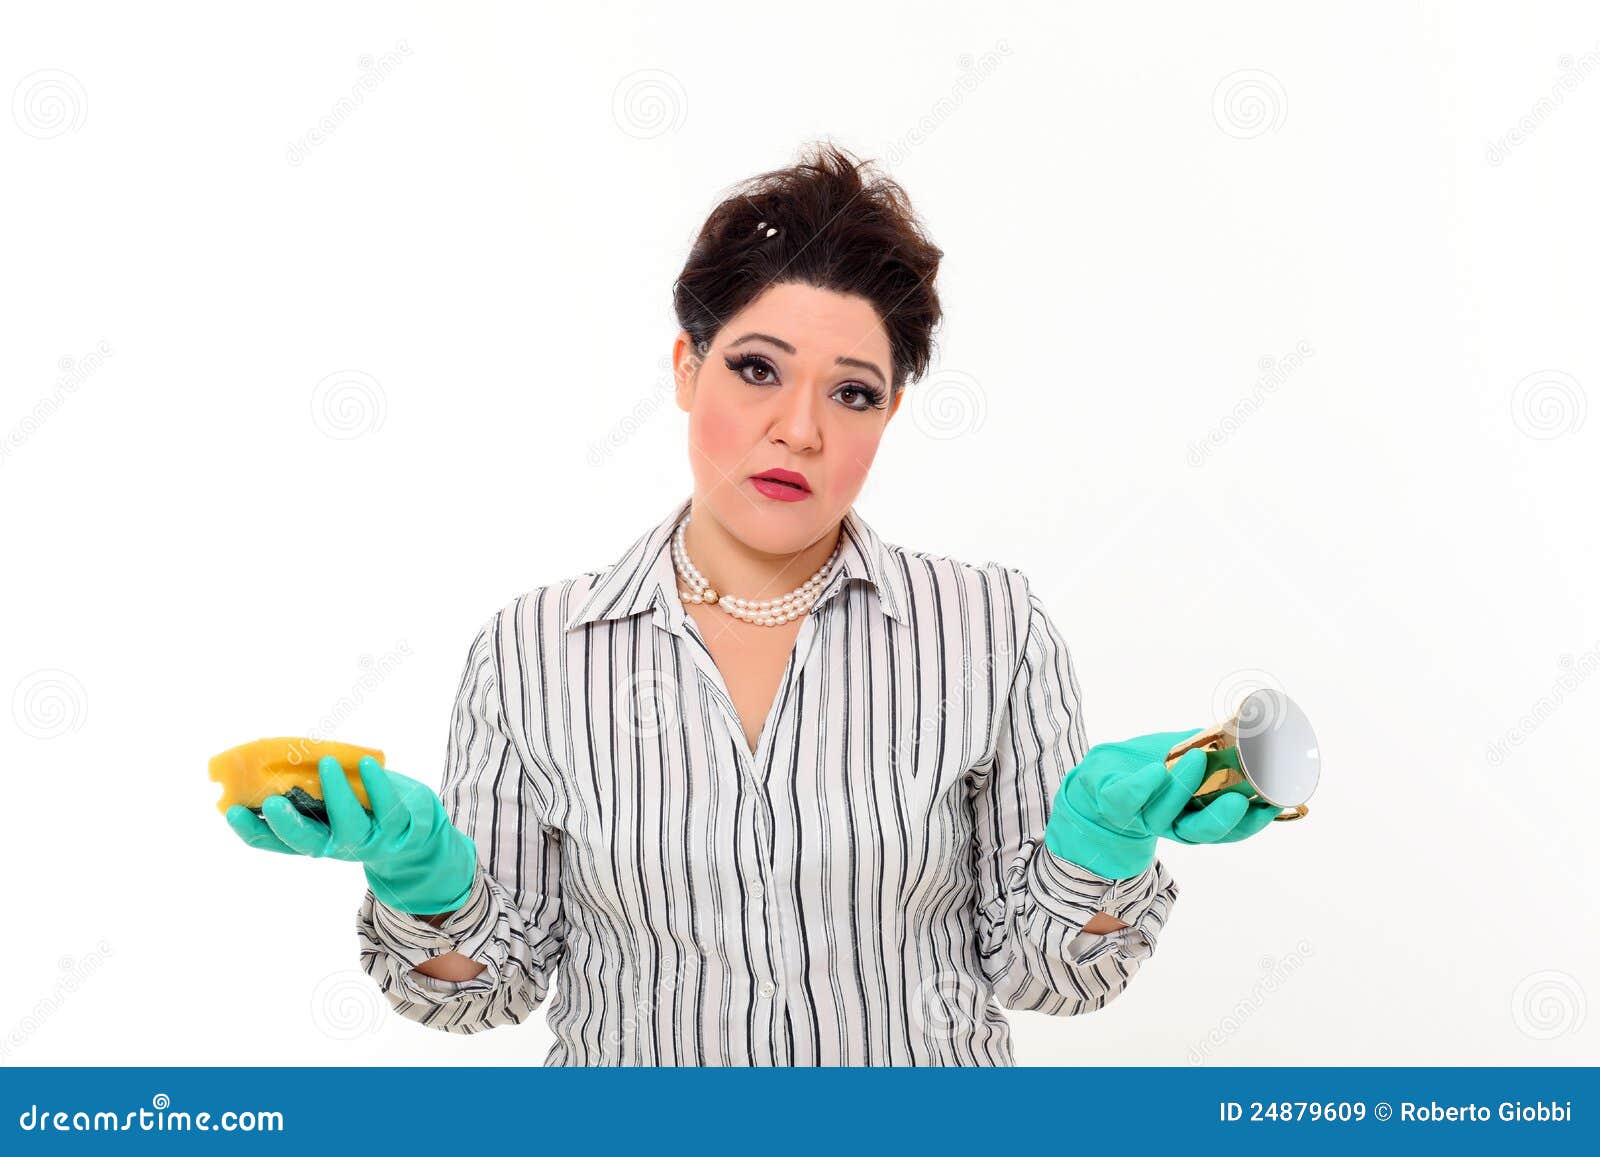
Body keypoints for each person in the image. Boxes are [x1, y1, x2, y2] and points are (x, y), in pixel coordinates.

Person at [223, 141, 1279, 1065]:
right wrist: (422, 876)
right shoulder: (533, 651)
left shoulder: (989, 631)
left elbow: (1047, 977)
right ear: (687, 368)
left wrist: (1100, 850)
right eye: (758, 369)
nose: (800, 430)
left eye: (852, 390)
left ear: (890, 410)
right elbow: (486, 990)